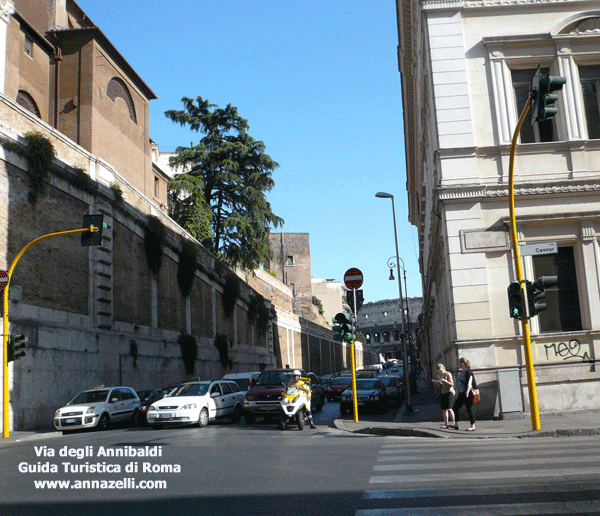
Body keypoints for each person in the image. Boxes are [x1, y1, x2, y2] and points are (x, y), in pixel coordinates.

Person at [450, 357, 477, 431]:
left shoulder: (468, 371)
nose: (458, 364)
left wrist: (467, 392)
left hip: (466, 393)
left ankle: (472, 426)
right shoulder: (462, 372)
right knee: (455, 407)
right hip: (461, 393)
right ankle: (456, 424)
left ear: (462, 363)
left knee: (469, 409)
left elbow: (469, 382)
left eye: (459, 363)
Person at [432, 363, 455, 429]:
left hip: (449, 392)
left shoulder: (448, 374)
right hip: (443, 392)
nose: (440, 372)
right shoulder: (439, 375)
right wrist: (438, 383)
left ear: (443, 369)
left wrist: (444, 381)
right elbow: (440, 385)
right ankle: (446, 424)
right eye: (439, 371)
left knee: (449, 408)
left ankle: (453, 423)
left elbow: (451, 384)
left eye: (441, 371)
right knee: (444, 409)